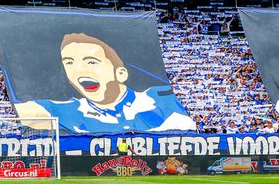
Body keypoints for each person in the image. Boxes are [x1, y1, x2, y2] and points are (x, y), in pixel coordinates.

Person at [14, 33, 195, 133]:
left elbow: (186, 128)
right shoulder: (67, 109)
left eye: (91, 61)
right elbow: (25, 111)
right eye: (69, 63)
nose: (79, 70)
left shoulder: (158, 99)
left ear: (121, 73)